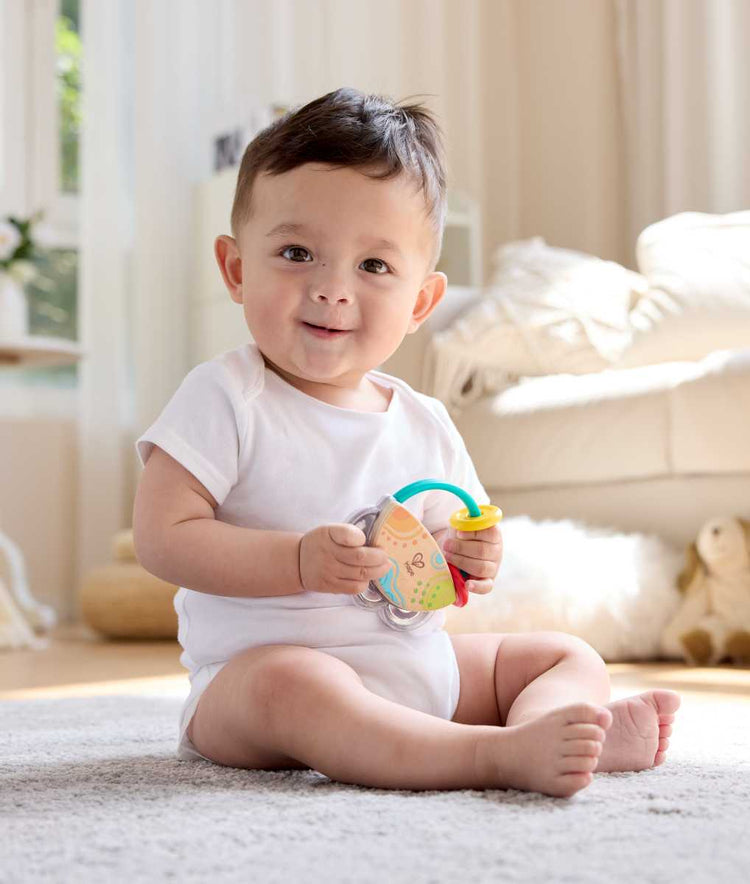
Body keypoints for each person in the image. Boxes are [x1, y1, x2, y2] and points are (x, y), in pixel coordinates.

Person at [132, 87, 679, 798]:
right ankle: (489, 756)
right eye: (297, 253)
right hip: (257, 690)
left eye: (374, 266)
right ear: (237, 269)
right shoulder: (227, 396)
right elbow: (163, 538)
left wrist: (469, 555)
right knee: (293, 681)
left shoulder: (424, 421)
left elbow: (450, 542)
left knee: (562, 654)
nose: (332, 288)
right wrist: (295, 561)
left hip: (418, 669)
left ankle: (549, 729)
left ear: (421, 301)